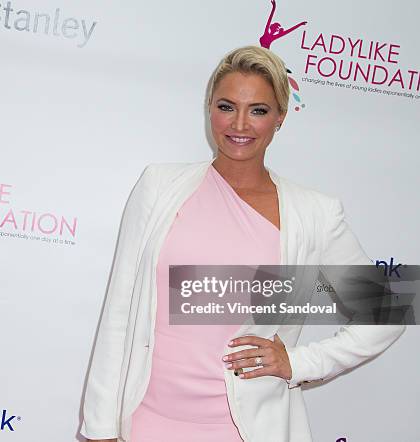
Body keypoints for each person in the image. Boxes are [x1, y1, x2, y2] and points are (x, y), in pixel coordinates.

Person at [79, 45, 405, 442]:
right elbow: (119, 309)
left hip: (247, 431)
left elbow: (387, 310)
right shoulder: (159, 186)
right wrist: (100, 429)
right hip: (147, 423)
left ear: (280, 118)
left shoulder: (314, 213)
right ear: (209, 108)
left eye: (259, 110)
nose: (240, 124)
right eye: (226, 106)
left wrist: (298, 362)